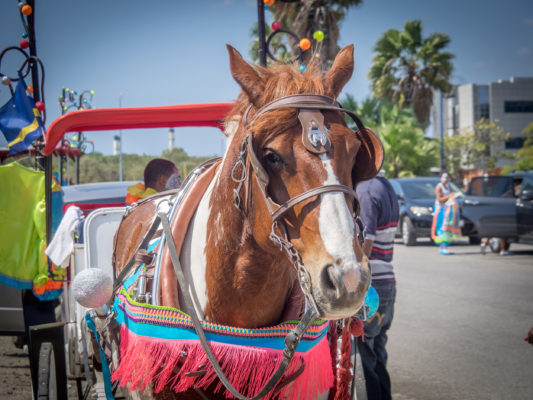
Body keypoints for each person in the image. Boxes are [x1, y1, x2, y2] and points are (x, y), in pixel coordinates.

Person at [355, 171, 399, 400]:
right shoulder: (385, 186)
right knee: (378, 356)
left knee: (363, 361)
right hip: (387, 283)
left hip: (371, 287)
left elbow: (367, 242)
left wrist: (352, 284)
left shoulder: (366, 189)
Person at [431, 172, 461, 255]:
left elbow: (449, 197)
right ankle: (442, 247)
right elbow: (439, 199)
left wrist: (453, 197)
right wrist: (448, 196)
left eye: (447, 177)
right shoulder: (439, 187)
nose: (445, 179)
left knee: (447, 229)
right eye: (444, 177)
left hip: (447, 210)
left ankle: (445, 247)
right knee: (441, 228)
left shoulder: (448, 186)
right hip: (439, 210)